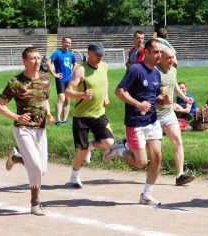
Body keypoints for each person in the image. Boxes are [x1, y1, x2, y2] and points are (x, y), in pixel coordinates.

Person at [0, 47, 55, 216]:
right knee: (35, 167)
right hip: (23, 130)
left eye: (38, 58)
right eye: (33, 59)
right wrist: (17, 117)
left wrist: (49, 113)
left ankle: (15, 158)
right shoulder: (16, 82)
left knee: (42, 170)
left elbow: (45, 100)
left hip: (40, 130)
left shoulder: (45, 78)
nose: (37, 61)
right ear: (24, 61)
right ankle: (35, 203)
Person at [110, 39, 167, 205]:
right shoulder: (136, 70)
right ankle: (120, 148)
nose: (159, 56)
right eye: (156, 52)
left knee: (157, 156)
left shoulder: (157, 74)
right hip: (135, 122)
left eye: (160, 53)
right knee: (141, 163)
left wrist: (163, 100)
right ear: (147, 52)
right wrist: (138, 104)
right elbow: (119, 91)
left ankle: (146, 195)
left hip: (152, 121)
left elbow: (152, 98)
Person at [64, 42, 115, 188]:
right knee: (82, 149)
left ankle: (90, 146)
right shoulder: (80, 70)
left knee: (109, 143)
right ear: (89, 53)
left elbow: (105, 81)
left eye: (101, 54)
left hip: (99, 114)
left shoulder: (104, 66)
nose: (100, 57)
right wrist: (82, 94)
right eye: (97, 54)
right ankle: (74, 176)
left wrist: (105, 95)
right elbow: (68, 91)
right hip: (82, 116)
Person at [155, 47, 195, 186]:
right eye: (168, 58)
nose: (172, 60)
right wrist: (159, 94)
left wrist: (184, 97)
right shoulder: (155, 71)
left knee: (178, 141)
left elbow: (174, 85)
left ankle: (180, 175)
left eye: (173, 57)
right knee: (151, 149)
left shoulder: (173, 70)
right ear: (161, 58)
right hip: (153, 116)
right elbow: (149, 92)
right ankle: (123, 146)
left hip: (168, 114)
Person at [46, 36, 78, 126]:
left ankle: (65, 119)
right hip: (60, 80)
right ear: (62, 42)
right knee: (61, 99)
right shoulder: (57, 53)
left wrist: (72, 72)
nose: (67, 44)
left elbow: (75, 64)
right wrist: (54, 74)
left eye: (69, 43)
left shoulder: (70, 54)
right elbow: (48, 63)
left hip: (69, 80)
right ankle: (58, 120)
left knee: (68, 99)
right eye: (66, 42)